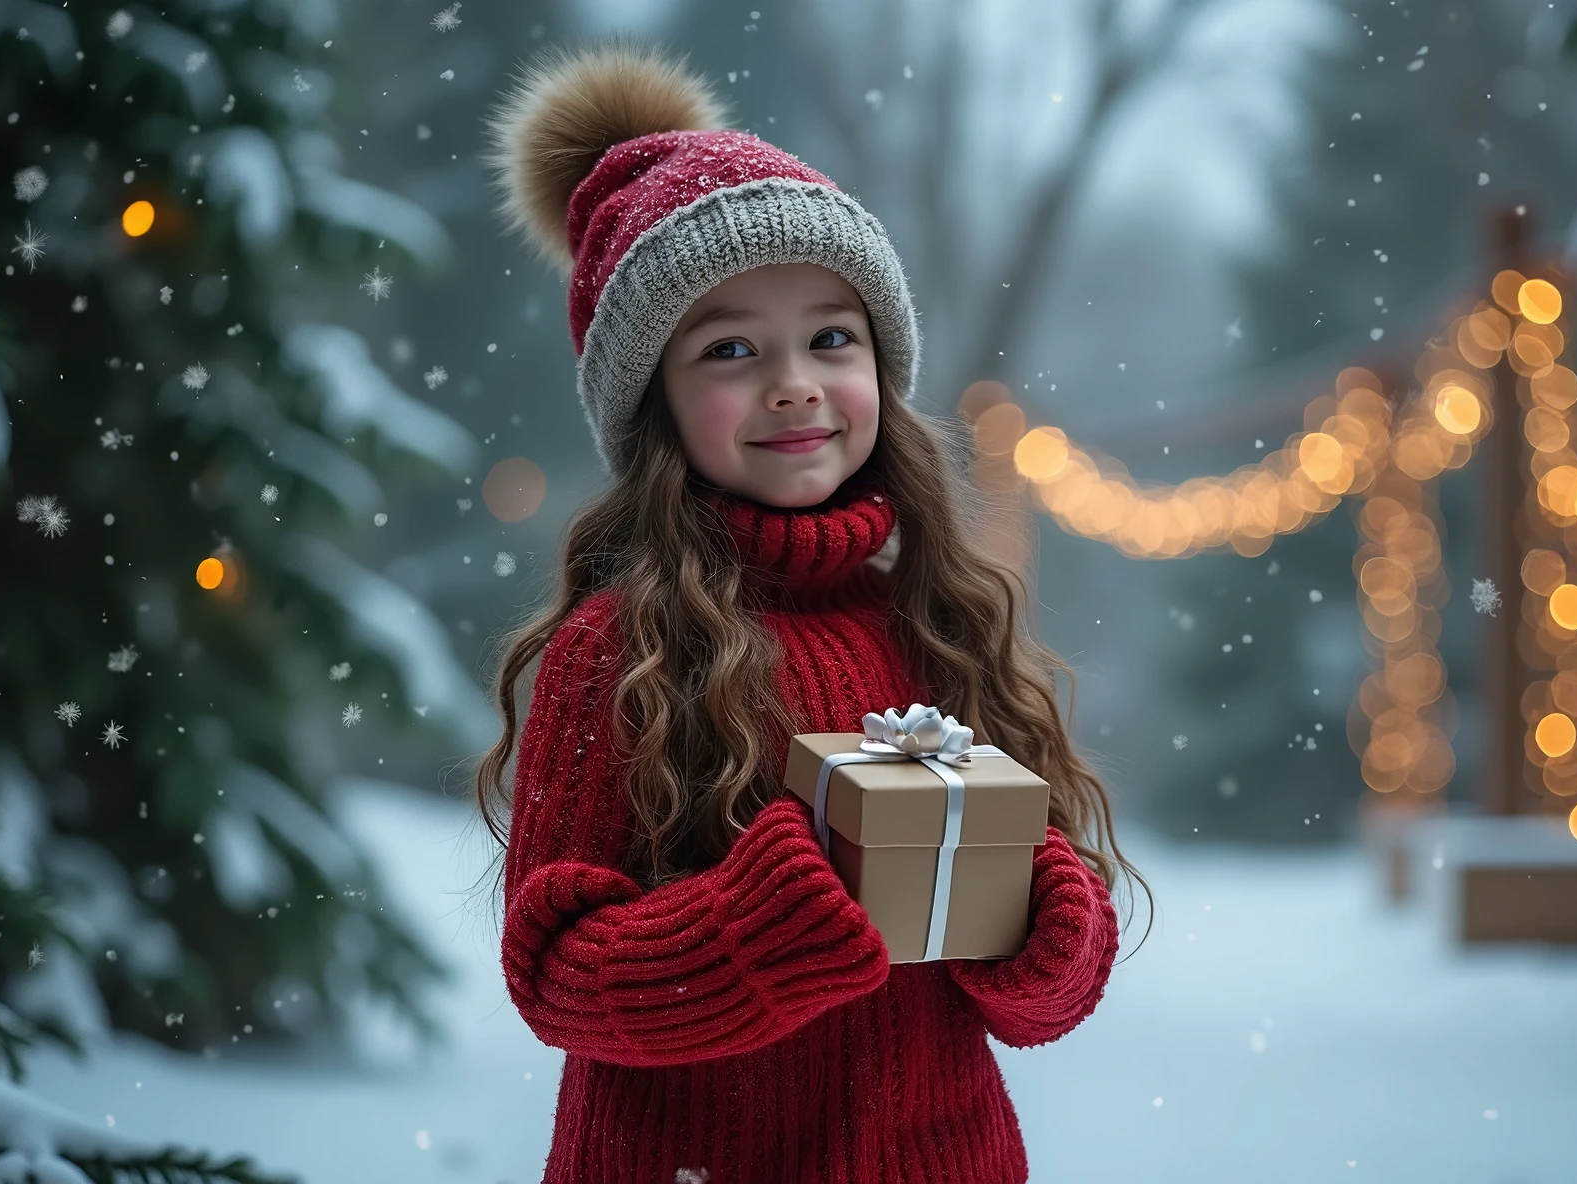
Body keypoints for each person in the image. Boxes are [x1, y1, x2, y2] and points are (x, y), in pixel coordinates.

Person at [474, 40, 1152, 1184]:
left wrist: (1048, 918)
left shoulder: (938, 622)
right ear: (654, 405)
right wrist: (751, 926)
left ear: (881, 371)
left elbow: (1036, 1004)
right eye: (730, 348)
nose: (792, 380)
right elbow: (555, 970)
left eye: (830, 337)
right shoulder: (620, 650)